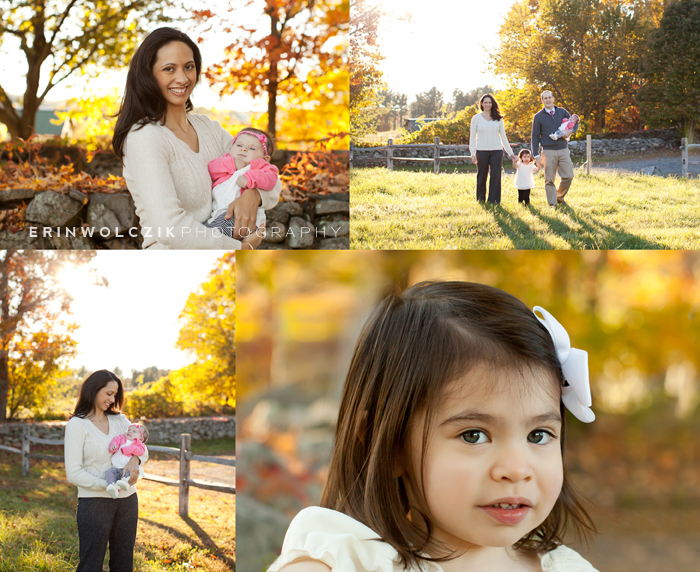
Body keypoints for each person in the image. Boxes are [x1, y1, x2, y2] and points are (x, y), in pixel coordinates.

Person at [268, 281, 598, 572]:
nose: (516, 469)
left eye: (538, 435)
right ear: (387, 443)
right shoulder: (343, 562)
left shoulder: (567, 568)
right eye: (474, 435)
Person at [112, 27, 280, 249]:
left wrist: (254, 195)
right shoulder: (144, 138)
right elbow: (169, 226)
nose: (182, 78)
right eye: (169, 69)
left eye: (188, 67)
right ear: (148, 75)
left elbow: (272, 179)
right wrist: (241, 249)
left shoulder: (208, 128)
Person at [64, 370, 149, 572]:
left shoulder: (121, 421)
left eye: (115, 395)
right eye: (108, 393)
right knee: (91, 565)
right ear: (94, 390)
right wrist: (109, 485)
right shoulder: (77, 425)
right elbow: (74, 473)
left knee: (123, 564)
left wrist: (136, 460)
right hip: (94, 503)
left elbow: (143, 448)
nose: (112, 399)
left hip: (128, 501)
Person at [205, 127, 279, 237]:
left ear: (265, 159)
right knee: (203, 233)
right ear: (230, 149)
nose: (243, 149)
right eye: (239, 145)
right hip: (217, 215)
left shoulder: (261, 167)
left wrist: (250, 178)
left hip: (243, 218)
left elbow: (271, 180)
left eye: (252, 148)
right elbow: (212, 169)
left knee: (212, 235)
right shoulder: (225, 160)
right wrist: (231, 163)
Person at [531, 91, 579, 207]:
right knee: (549, 179)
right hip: (548, 151)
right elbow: (535, 136)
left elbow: (575, 123)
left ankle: (558, 196)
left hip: (563, 149)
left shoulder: (562, 112)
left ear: (553, 99)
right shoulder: (538, 117)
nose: (548, 100)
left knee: (569, 176)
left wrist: (570, 131)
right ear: (542, 101)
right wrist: (536, 155)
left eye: (549, 97)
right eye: (545, 98)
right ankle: (552, 204)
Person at [469, 94, 517, 204]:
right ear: (481, 104)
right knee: (482, 175)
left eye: (489, 102)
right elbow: (472, 138)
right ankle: (480, 200)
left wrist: (511, 153)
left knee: (495, 176)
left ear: (492, 104)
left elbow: (503, 138)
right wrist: (473, 153)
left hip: (497, 151)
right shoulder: (476, 118)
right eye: (485, 102)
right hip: (481, 151)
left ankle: (494, 201)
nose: (487, 104)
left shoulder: (498, 119)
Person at [105, 423, 149, 499]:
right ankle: (113, 487)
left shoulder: (139, 444)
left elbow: (141, 452)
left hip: (128, 468)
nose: (130, 432)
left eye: (134, 431)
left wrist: (130, 449)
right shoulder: (121, 438)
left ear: (141, 439)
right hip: (116, 468)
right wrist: (113, 446)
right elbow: (115, 441)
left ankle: (125, 482)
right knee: (109, 472)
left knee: (129, 474)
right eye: (129, 430)